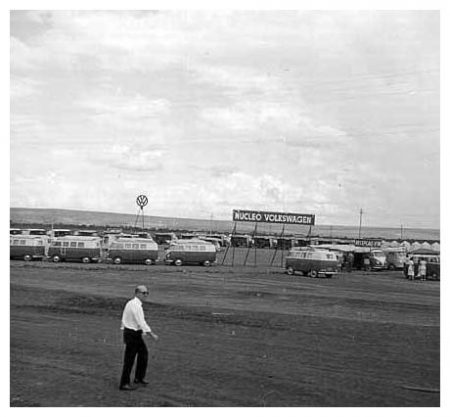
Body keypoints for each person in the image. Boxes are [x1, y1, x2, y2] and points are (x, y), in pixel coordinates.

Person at [119, 285, 159, 391]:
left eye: (147, 293)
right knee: (129, 359)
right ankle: (124, 383)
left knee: (143, 354)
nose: (146, 295)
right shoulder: (135, 306)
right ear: (137, 293)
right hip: (132, 334)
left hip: (133, 333)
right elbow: (141, 322)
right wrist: (151, 334)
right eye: (143, 293)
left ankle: (139, 378)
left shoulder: (132, 303)